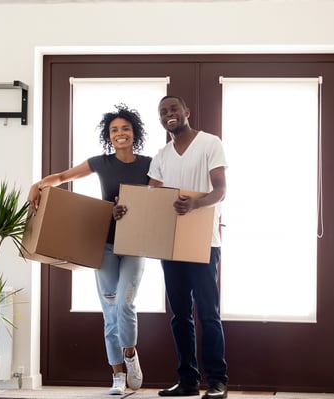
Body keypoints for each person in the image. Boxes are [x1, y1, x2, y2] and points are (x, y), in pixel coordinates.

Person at [28, 104, 151, 395]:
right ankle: (117, 376)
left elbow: (158, 198)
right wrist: (38, 184)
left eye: (125, 128)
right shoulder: (100, 163)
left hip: (135, 244)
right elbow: (61, 178)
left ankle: (130, 354)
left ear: (135, 133)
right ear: (109, 136)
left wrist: (133, 207)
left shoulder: (149, 164)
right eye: (114, 130)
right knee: (109, 310)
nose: (120, 134)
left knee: (124, 303)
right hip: (105, 244)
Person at [115, 95, 229, 399]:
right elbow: (151, 198)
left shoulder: (209, 143)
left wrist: (194, 203)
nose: (169, 114)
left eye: (173, 109)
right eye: (163, 112)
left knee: (208, 313)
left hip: (204, 241)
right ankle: (188, 381)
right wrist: (125, 209)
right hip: (170, 243)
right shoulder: (162, 156)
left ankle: (218, 381)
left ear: (186, 112)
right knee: (180, 315)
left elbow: (220, 190)